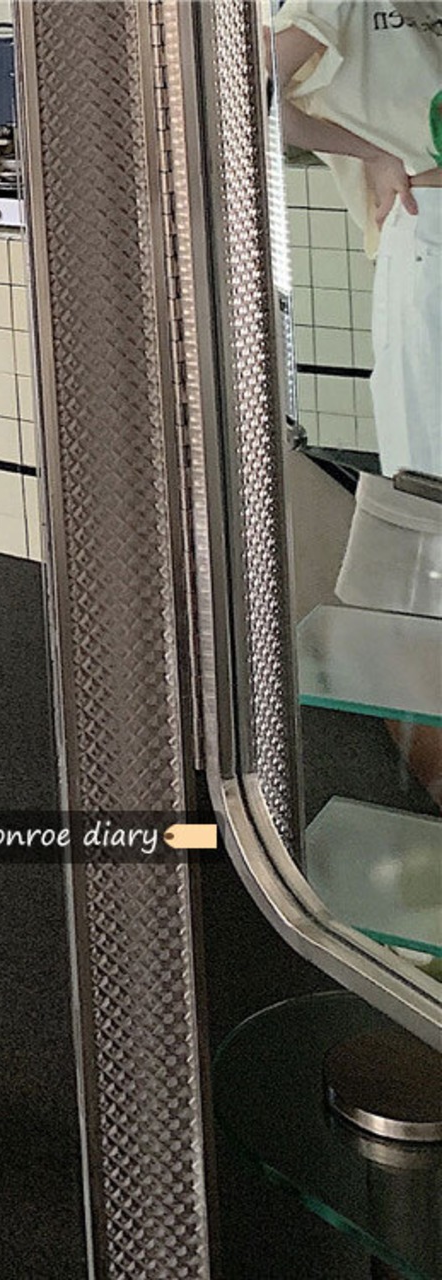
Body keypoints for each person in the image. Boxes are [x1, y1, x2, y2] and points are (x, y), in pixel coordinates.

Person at [273, 0, 442, 808]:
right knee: (427, 519)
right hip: (430, 232)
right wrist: (372, 150)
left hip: (430, 238)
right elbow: (246, 94)